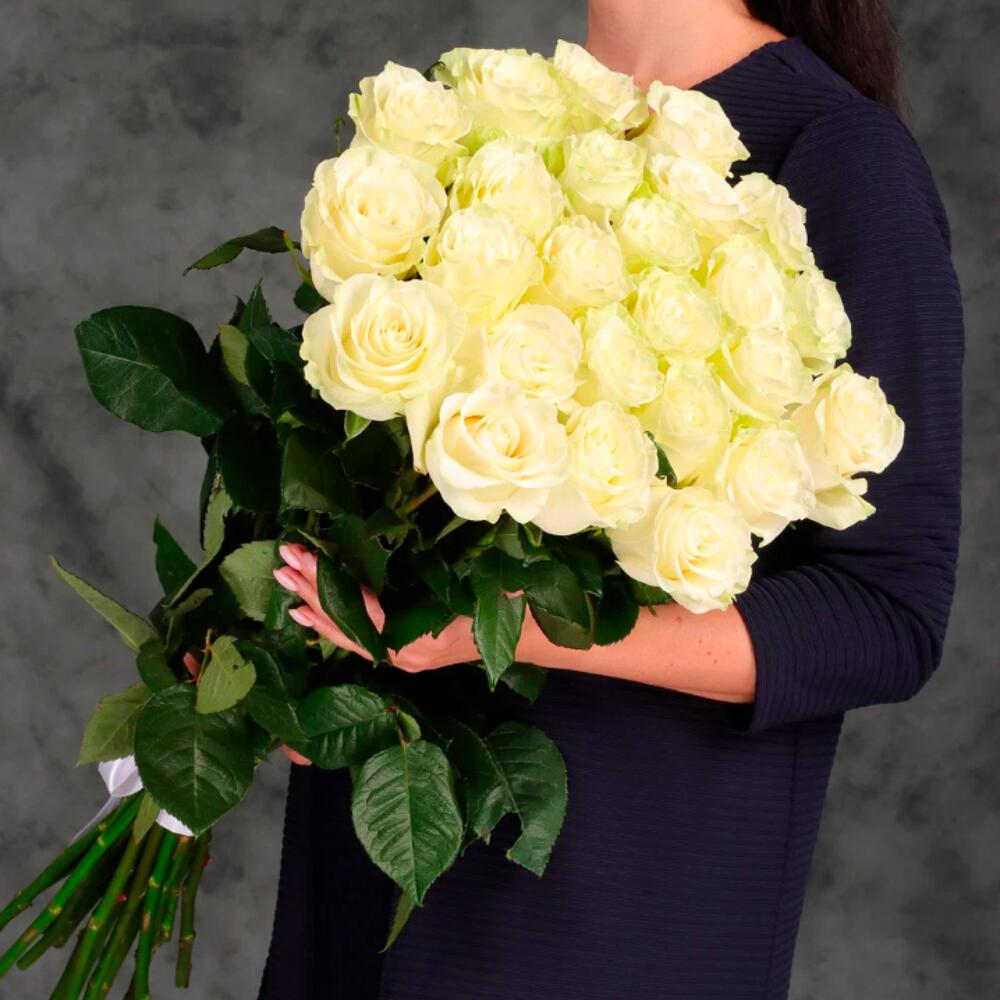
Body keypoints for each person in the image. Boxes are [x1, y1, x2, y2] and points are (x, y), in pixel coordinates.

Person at [258, 1, 964, 997]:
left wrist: (517, 627)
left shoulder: (840, 156)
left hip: (612, 909)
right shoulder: (487, 120)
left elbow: (884, 613)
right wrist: (285, 644)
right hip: (371, 869)